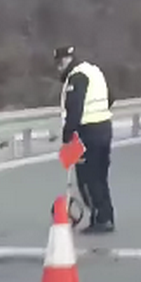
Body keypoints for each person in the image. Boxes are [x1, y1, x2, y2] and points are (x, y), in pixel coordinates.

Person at [54, 46, 115, 233]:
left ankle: (100, 218)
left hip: (87, 133)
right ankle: (106, 216)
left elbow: (75, 108)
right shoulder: (93, 70)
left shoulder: (77, 77)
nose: (58, 69)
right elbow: (110, 97)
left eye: (59, 63)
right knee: (100, 176)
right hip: (104, 128)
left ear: (65, 61)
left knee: (88, 179)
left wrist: (67, 135)